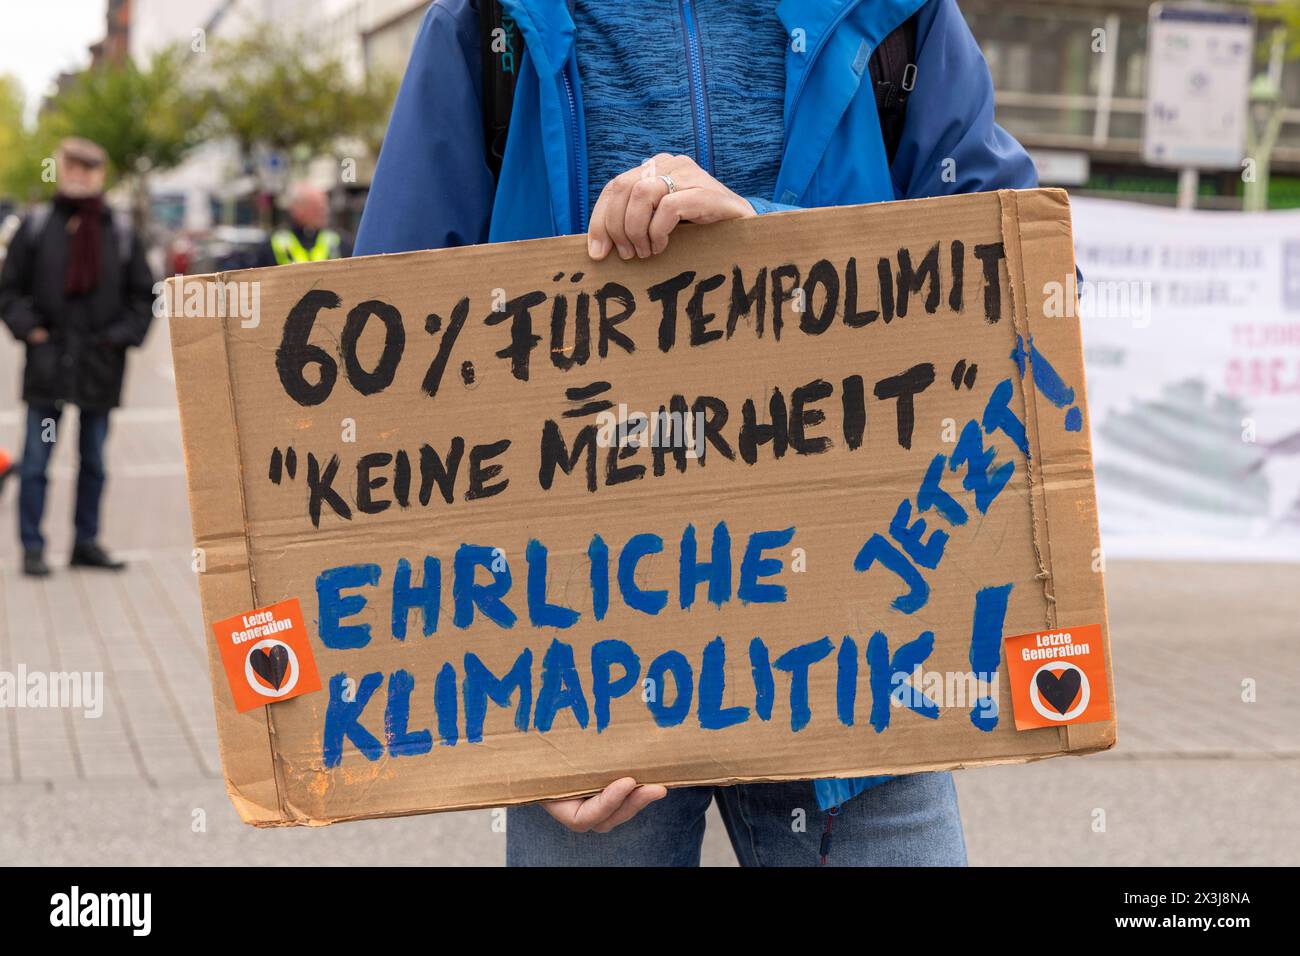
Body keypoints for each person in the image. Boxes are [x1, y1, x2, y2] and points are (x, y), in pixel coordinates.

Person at [355, 0, 1037, 866]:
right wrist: (502, 721)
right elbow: (389, 372)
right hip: (579, 668)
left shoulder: (900, 14)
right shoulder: (487, 21)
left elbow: (1030, 278)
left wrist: (767, 242)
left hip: (856, 652)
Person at [0, 137, 155, 577]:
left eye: (89, 168)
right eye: (73, 166)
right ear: (61, 169)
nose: (80, 175)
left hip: (98, 370)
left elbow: (144, 297)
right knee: (36, 461)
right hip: (48, 367)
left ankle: (85, 543)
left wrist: (116, 339)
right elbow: (9, 291)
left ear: (100, 175)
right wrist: (31, 331)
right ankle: (33, 547)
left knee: (94, 461)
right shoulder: (37, 227)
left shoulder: (119, 231)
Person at [255, 183, 352, 267]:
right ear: (297, 209)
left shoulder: (339, 240)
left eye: (324, 207)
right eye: (316, 208)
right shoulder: (272, 243)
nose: (324, 212)